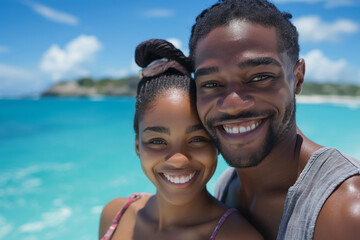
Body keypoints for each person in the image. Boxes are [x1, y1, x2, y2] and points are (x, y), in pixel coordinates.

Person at [188, 0, 360, 239]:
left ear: (297, 78)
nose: (233, 104)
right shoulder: (227, 186)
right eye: (211, 84)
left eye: (260, 77)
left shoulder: (347, 212)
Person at [98, 39, 263, 240]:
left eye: (197, 139)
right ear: (138, 147)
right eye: (157, 141)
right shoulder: (115, 214)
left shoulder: (236, 236)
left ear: (217, 144)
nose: (178, 159)